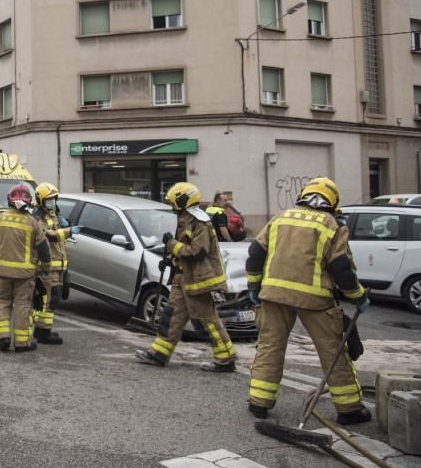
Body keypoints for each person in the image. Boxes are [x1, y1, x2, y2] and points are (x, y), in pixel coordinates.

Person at [244, 177, 371, 424]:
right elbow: (341, 268)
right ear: (332, 201)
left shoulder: (280, 217)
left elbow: (255, 253)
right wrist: (358, 296)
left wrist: (254, 285)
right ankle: (349, 410)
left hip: (273, 295)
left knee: (270, 346)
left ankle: (259, 403)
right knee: (332, 350)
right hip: (315, 299)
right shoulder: (331, 224)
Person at [135, 182, 237, 372]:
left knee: (208, 322)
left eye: (174, 202)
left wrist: (172, 244)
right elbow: (183, 249)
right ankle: (159, 354)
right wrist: (168, 259)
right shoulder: (186, 219)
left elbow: (196, 252)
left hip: (199, 283)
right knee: (170, 318)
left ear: (184, 201)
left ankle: (226, 360)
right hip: (183, 280)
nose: (173, 206)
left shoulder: (201, 223)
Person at [0, 184, 51, 353]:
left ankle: (3, 336)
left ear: (9, 200)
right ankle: (22, 343)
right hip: (26, 275)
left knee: (1, 302)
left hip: (2, 273)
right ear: (29, 202)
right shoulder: (33, 223)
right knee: (23, 306)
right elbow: (44, 249)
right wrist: (45, 268)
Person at [31, 182, 81, 345]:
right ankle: (44, 332)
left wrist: (64, 223)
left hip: (58, 266)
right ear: (41, 200)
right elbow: (50, 236)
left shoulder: (52, 214)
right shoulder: (37, 218)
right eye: (49, 199)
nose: (52, 202)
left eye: (54, 198)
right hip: (48, 267)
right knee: (50, 299)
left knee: (50, 299)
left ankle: (40, 329)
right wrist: (69, 231)